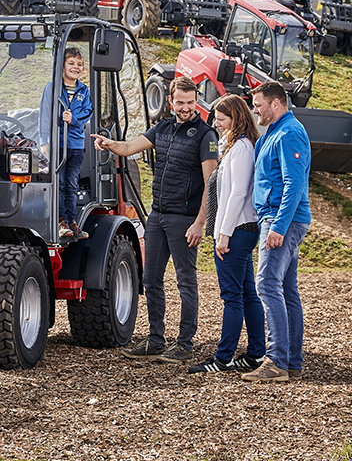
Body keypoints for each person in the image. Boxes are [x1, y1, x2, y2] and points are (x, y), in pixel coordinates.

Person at [93, 76, 218, 363]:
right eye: (180, 102)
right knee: (150, 279)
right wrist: (109, 143)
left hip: (184, 219)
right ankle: (156, 340)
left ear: (196, 101)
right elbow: (128, 148)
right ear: (171, 101)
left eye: (190, 102)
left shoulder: (205, 135)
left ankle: (185, 345)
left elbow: (210, 183)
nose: (185, 108)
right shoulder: (162, 127)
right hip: (157, 215)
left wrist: (200, 223)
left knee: (186, 281)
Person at [188, 94, 266, 373]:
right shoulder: (235, 146)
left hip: (236, 230)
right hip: (239, 229)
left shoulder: (243, 148)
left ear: (236, 117)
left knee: (232, 295)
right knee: (247, 293)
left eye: (222, 119)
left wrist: (222, 234)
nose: (218, 124)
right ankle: (256, 353)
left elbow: (238, 194)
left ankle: (223, 358)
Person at [241, 81, 311, 382]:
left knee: (267, 285)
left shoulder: (289, 133)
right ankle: (291, 361)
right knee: (286, 289)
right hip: (278, 218)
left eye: (259, 105)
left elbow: (294, 185)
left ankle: (276, 362)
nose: (255, 110)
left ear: (276, 104)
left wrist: (278, 226)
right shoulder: (274, 132)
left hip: (283, 220)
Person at [39, 47, 93, 240]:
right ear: (62, 66)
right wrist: (45, 142)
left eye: (79, 64)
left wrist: (74, 119)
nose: (75, 67)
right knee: (59, 183)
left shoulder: (83, 90)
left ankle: (72, 221)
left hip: (76, 145)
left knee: (71, 184)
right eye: (71, 63)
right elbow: (45, 115)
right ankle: (60, 220)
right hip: (57, 144)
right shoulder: (52, 88)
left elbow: (87, 113)